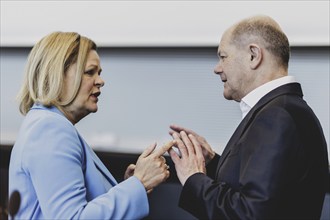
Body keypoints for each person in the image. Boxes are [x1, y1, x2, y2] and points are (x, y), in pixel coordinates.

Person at [168, 15, 329, 219]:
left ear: (253, 55)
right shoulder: (286, 109)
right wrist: (212, 163)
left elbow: (250, 214)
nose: (217, 68)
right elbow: (267, 191)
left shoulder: (276, 116)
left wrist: (194, 178)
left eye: (223, 57)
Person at [8, 31, 173, 219]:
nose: (100, 81)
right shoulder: (50, 129)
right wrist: (139, 183)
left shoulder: (45, 124)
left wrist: (129, 185)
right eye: (90, 72)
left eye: (99, 73)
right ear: (57, 76)